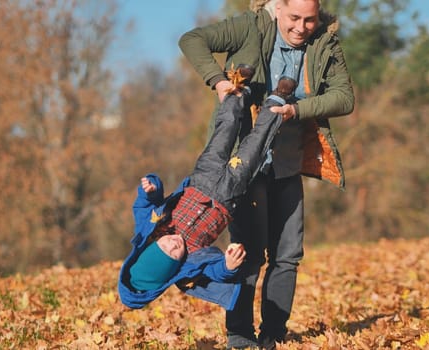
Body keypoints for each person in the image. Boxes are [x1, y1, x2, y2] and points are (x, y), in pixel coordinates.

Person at [179, 0, 355, 348]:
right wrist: (217, 81)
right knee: (247, 252)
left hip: (288, 162)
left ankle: (274, 334)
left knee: (288, 254)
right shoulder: (250, 27)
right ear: (277, 9)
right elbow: (192, 39)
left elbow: (344, 97)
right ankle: (240, 335)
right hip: (244, 165)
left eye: (309, 20)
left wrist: (298, 109)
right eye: (293, 18)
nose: (301, 27)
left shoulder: (324, 42)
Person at [118, 70, 297, 311]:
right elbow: (214, 271)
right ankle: (277, 99)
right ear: (175, 267)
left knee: (225, 131)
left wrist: (150, 189)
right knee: (254, 148)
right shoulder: (190, 263)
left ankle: (238, 90)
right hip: (228, 194)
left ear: (153, 243)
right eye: (173, 254)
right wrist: (229, 265)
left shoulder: (149, 229)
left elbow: (144, 205)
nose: (173, 244)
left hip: (202, 177)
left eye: (163, 246)